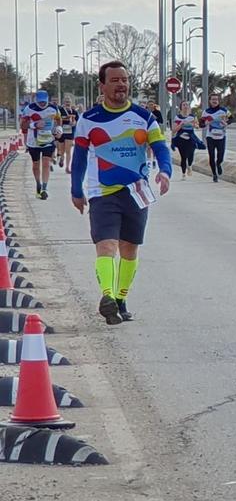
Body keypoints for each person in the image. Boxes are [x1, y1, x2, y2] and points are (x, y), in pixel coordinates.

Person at [69, 62, 172, 325]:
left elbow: (160, 147)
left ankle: (120, 298)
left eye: (124, 80)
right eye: (114, 80)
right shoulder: (89, 119)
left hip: (136, 192)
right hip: (102, 193)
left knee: (129, 249)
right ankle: (107, 296)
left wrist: (165, 171)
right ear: (102, 86)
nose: (121, 85)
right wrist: (76, 190)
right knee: (106, 245)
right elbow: (79, 157)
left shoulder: (143, 117)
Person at [19, 91, 59, 199]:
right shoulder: (29, 108)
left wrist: (59, 130)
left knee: (46, 163)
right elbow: (22, 124)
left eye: (44, 102)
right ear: (36, 100)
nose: (42, 104)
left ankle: (44, 188)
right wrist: (34, 124)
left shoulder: (53, 108)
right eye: (40, 102)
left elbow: (58, 122)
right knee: (36, 165)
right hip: (34, 142)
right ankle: (38, 184)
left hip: (48, 140)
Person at [198, 94, 230, 182]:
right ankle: (214, 174)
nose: (215, 101)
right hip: (210, 136)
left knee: (221, 156)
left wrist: (226, 123)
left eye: (216, 99)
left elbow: (231, 118)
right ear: (210, 101)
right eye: (213, 99)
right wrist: (206, 123)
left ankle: (218, 164)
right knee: (211, 156)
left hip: (221, 136)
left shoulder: (224, 110)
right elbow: (201, 124)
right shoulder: (206, 112)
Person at [170, 101, 200, 175]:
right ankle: (183, 173)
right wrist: (181, 124)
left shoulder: (192, 116)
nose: (186, 106)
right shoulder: (178, 117)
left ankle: (189, 165)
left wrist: (193, 125)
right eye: (184, 105)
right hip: (181, 139)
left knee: (191, 154)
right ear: (181, 107)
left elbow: (197, 126)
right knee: (183, 157)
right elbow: (174, 130)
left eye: (187, 105)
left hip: (191, 138)